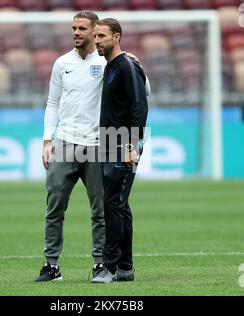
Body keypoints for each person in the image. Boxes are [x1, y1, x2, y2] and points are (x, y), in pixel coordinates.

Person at [35, 11, 149, 282]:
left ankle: (101, 263)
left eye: (83, 29)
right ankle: (51, 266)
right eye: (74, 28)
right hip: (65, 142)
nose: (77, 33)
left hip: (98, 144)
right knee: (54, 206)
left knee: (101, 210)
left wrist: (134, 63)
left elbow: (139, 93)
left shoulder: (112, 62)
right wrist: (47, 139)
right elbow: (52, 103)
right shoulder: (61, 63)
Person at [91, 18, 148, 283]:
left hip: (122, 145)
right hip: (110, 144)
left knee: (112, 204)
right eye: (95, 36)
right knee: (119, 206)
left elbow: (139, 107)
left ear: (116, 37)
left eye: (101, 35)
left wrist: (131, 146)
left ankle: (109, 267)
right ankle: (125, 268)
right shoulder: (111, 66)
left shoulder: (126, 66)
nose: (96, 41)